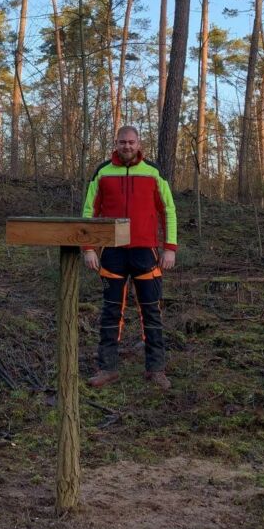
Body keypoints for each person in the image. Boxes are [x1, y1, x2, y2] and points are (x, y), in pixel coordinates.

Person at [82, 125, 177, 390]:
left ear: (139, 143)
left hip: (145, 252)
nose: (127, 146)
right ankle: (107, 368)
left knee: (151, 312)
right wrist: (88, 248)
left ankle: (156, 369)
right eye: (122, 142)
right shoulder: (102, 172)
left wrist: (170, 247)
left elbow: (168, 210)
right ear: (116, 143)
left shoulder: (153, 172)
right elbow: (89, 210)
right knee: (111, 311)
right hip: (111, 253)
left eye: (131, 142)